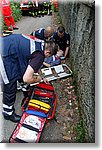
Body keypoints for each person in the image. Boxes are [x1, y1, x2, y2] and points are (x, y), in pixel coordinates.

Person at [0, 34, 55, 122]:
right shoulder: (40, 55)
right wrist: (38, 79)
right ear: (48, 52)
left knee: (20, 72)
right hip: (4, 55)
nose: (45, 59)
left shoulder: (40, 43)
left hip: (7, 46)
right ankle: (8, 113)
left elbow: (36, 65)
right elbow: (27, 78)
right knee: (10, 85)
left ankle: (25, 90)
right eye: (48, 57)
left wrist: (43, 76)